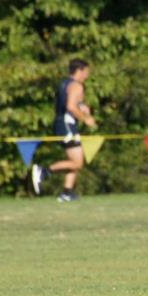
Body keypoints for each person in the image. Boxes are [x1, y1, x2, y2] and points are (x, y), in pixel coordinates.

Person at [31, 58, 97, 201]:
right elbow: (70, 107)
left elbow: (71, 104)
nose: (87, 75)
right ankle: (43, 171)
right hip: (67, 125)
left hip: (62, 124)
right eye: (86, 72)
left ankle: (67, 192)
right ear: (79, 71)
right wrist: (86, 119)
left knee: (75, 161)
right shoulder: (76, 86)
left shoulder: (64, 84)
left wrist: (83, 108)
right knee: (77, 163)